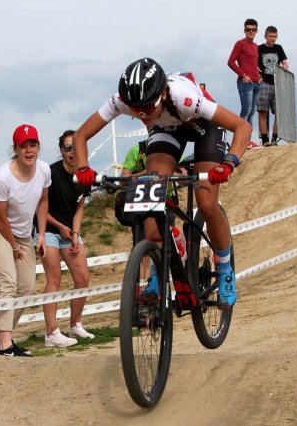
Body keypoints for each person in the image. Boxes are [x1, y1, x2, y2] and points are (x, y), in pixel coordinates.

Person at [72, 58, 252, 308]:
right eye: (136, 111)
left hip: (203, 127)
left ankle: (225, 269)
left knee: (206, 202)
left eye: (147, 108)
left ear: (162, 94)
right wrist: (82, 168)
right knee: (149, 194)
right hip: (168, 129)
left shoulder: (183, 97)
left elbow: (242, 126)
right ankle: (158, 271)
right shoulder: (122, 99)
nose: (142, 115)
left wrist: (230, 162)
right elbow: (80, 136)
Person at [0, 124, 49, 357]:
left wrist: (40, 235)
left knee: (26, 288)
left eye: (33, 145)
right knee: (8, 282)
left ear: (38, 147)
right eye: (23, 146)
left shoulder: (44, 170)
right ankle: (6, 345)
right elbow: (0, 218)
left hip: (23, 232)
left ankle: (0, 339)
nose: (29, 150)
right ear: (16, 149)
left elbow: (43, 202)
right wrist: (15, 247)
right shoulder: (2, 177)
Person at [37, 130, 95, 347]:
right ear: (61, 151)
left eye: (75, 147)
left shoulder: (86, 175)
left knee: (83, 278)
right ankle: (51, 333)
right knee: (54, 278)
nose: (72, 152)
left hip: (69, 232)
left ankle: (75, 325)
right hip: (48, 230)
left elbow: (80, 206)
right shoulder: (50, 173)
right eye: (67, 148)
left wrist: (75, 233)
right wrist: (60, 227)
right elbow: (39, 207)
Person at [257, 26, 289, 146]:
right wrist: (258, 75)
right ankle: (265, 139)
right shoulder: (259, 48)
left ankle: (274, 138)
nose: (272, 39)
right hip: (264, 83)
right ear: (265, 36)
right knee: (262, 112)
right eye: (270, 36)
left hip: (276, 83)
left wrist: (284, 68)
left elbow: (284, 62)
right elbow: (254, 63)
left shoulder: (278, 48)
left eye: (274, 36)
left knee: (278, 112)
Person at [227, 18, 262, 125]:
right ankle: (240, 135)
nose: (251, 31)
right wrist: (243, 75)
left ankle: (248, 135)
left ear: (256, 31)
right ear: (244, 31)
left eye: (253, 30)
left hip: (256, 82)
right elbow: (231, 62)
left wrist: (259, 76)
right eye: (248, 29)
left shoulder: (255, 46)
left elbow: (254, 64)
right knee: (246, 111)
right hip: (246, 82)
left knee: (251, 113)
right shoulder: (240, 43)